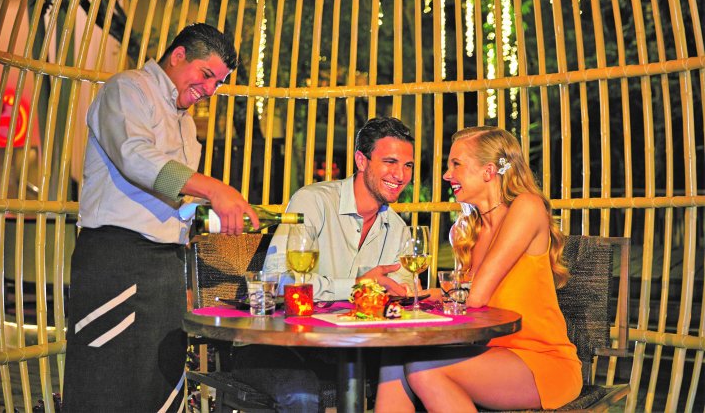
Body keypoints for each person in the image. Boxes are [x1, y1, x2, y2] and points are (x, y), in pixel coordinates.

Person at [63, 23, 259, 412]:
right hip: (116, 256)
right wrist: (215, 190)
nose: (210, 90)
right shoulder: (128, 88)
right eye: (206, 75)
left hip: (166, 263)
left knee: (160, 379)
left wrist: (210, 214)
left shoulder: (184, 121)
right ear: (178, 55)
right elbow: (135, 158)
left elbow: (172, 196)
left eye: (218, 83)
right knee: (107, 381)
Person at [375, 126, 582, 412]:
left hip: (540, 359)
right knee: (394, 356)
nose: (447, 175)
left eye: (456, 164)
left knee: (423, 369)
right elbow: (461, 298)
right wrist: (417, 296)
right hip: (487, 355)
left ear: (488, 171)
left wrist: (440, 296)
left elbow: (473, 297)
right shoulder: (465, 230)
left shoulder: (527, 207)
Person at [231, 116, 417, 412]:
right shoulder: (313, 202)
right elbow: (278, 280)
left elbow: (401, 295)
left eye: (408, 165)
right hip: (277, 345)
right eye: (390, 162)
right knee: (302, 395)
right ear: (361, 160)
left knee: (418, 373)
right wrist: (357, 287)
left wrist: (400, 295)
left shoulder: (397, 229)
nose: (400, 175)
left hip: (349, 351)